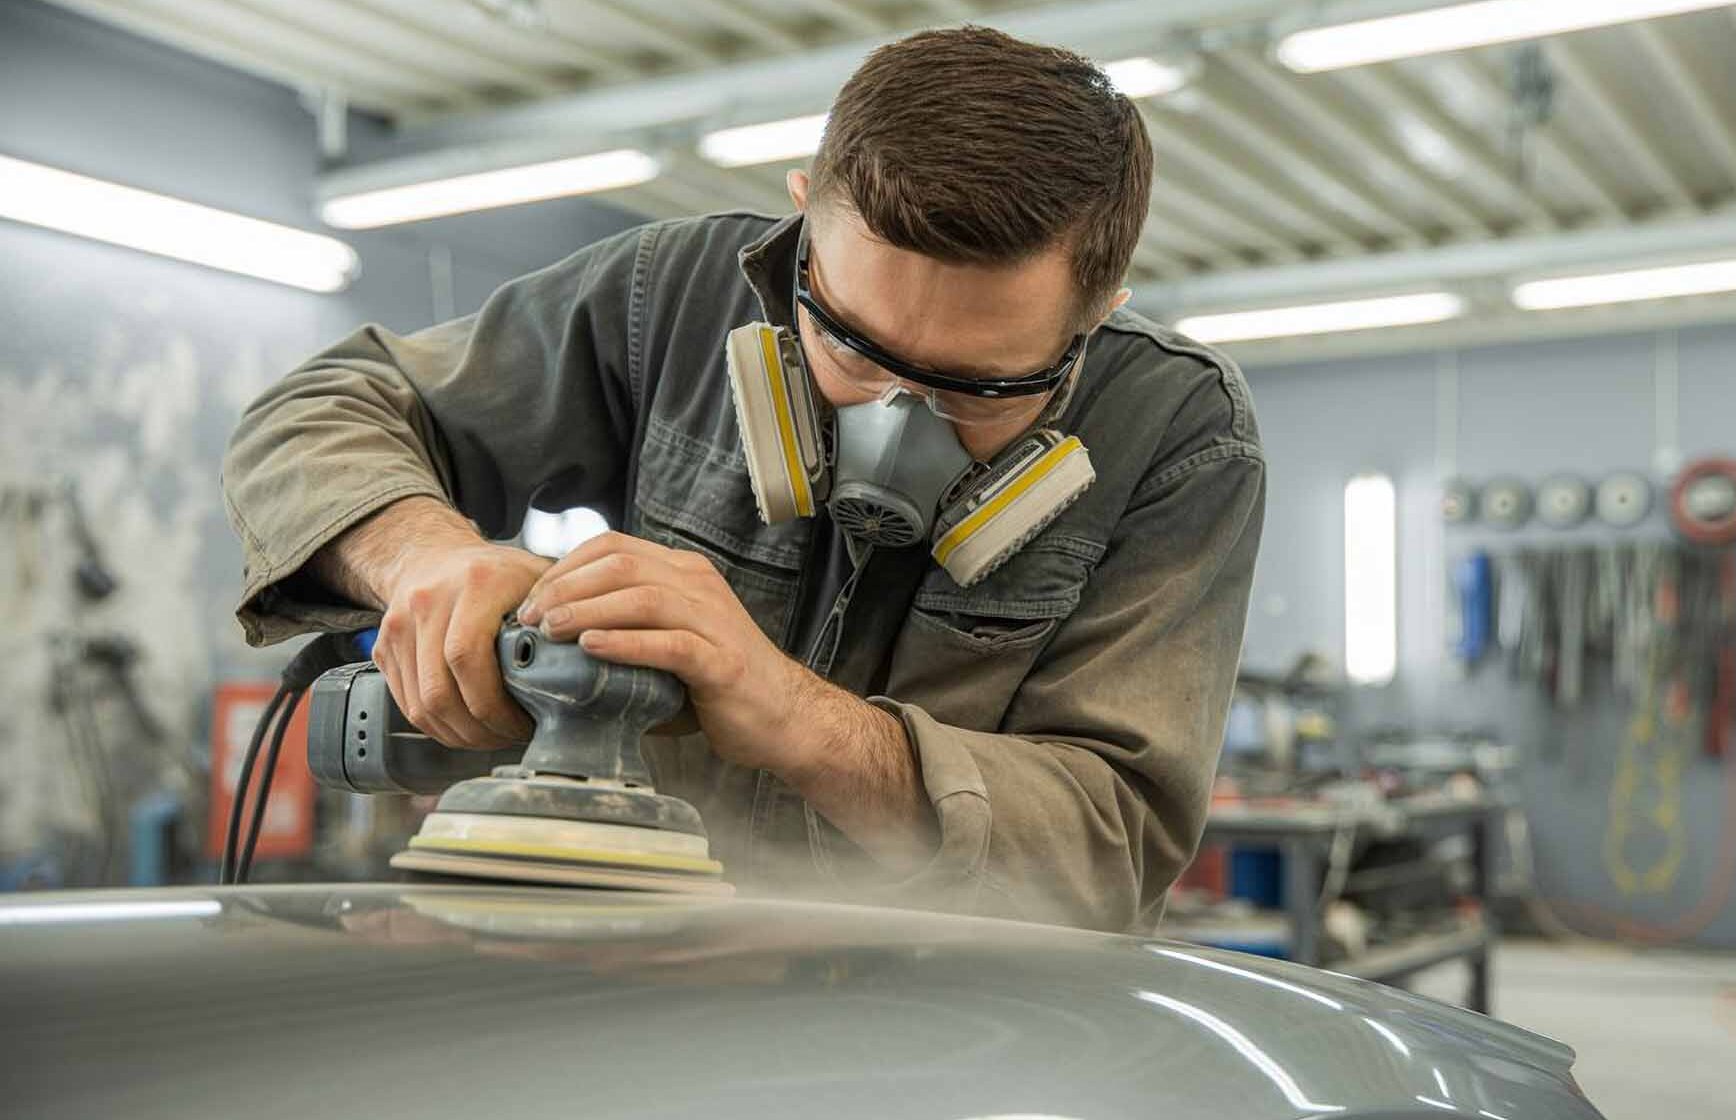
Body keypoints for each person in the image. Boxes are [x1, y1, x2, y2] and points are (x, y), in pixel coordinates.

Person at [223, 26, 1264, 932]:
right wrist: (426, 559)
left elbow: (1111, 847)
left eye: (972, 388)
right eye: (851, 349)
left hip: (960, 1032)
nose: (891, 423)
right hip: (642, 983)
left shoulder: (1178, 435)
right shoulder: (668, 301)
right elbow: (317, 412)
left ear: (1094, 316)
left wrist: (799, 719)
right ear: (803, 221)